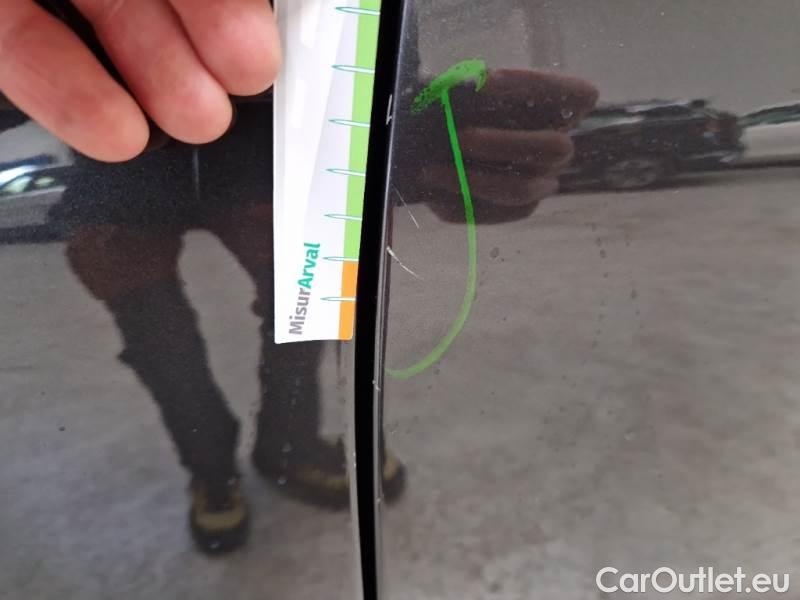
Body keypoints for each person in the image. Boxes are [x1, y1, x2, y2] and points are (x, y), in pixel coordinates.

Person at [0, 0, 597, 555]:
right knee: (158, 332)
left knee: (301, 311)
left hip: (261, 156)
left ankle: (287, 446)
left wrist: (406, 121)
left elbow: (375, 37)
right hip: (126, 149)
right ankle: (212, 468)